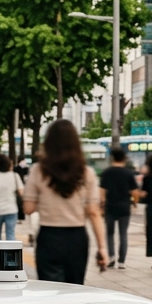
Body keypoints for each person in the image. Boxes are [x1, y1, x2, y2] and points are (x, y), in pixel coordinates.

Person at [22, 119, 107, 284]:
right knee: (74, 289)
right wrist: (102, 248)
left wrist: (46, 201)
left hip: (49, 237)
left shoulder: (38, 171)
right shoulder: (86, 173)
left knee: (49, 291)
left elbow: (28, 208)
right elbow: (94, 213)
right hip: (77, 238)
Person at [99, 145, 139, 269]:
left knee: (109, 233)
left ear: (112, 158)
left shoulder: (106, 173)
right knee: (123, 234)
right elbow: (135, 192)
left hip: (110, 207)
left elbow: (101, 192)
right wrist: (134, 202)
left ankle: (111, 257)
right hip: (124, 208)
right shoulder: (128, 173)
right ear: (124, 159)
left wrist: (101, 205)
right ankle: (122, 262)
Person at [0, 153, 24, 240]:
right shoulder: (15, 176)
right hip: (11, 210)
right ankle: (10, 253)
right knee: (10, 235)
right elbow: (22, 192)